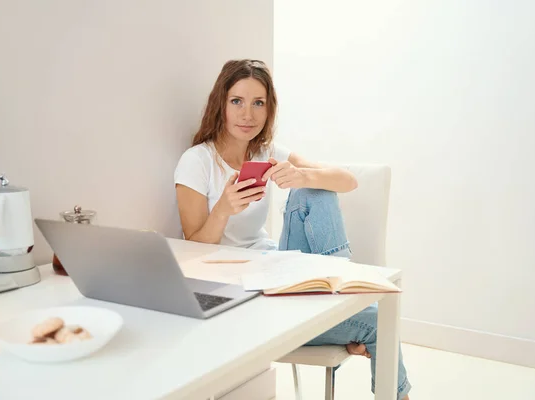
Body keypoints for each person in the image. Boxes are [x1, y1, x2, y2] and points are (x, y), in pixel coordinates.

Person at [174, 59, 411, 399]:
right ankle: (357, 326)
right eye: (237, 101)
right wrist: (223, 209)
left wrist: (303, 176)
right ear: (220, 105)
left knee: (313, 189)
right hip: (238, 290)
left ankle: (341, 295)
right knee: (375, 322)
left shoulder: (267, 152)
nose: (248, 114)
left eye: (259, 103)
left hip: (275, 267)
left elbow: (348, 180)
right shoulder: (197, 161)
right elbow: (193, 248)